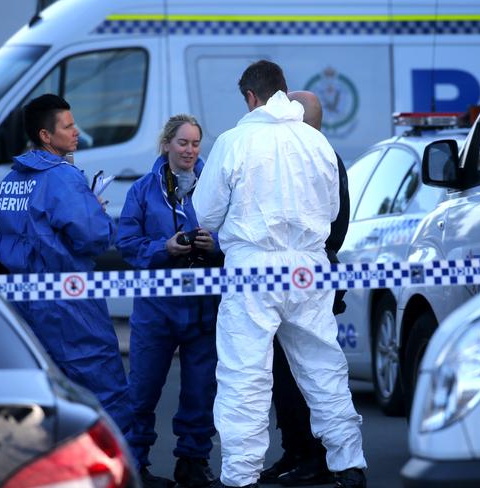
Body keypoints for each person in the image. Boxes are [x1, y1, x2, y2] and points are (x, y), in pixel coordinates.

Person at [193, 61, 367, 488]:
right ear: (283, 92)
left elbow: (205, 213)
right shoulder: (317, 142)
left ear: (251, 97)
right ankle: (349, 464)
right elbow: (331, 211)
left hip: (253, 267)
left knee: (245, 373)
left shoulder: (234, 142)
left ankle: (240, 476)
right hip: (309, 266)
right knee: (323, 367)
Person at [0, 93, 133, 439]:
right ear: (45, 135)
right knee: (104, 387)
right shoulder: (62, 177)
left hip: (24, 303)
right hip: (70, 302)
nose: (76, 132)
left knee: (45, 396)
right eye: (68, 126)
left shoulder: (12, 178)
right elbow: (94, 237)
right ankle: (125, 467)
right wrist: (97, 211)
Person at [116, 114, 221, 488]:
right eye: (183, 143)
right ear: (166, 145)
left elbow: (239, 234)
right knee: (141, 392)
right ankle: (134, 465)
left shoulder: (217, 186)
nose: (190, 150)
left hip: (202, 308)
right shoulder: (143, 190)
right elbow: (126, 244)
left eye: (195, 143)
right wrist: (163, 248)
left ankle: (192, 463)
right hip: (156, 310)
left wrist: (215, 246)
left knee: (200, 391)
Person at [260, 90, 350, 486]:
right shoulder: (298, 154)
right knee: (283, 373)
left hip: (310, 278)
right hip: (295, 277)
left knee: (310, 374)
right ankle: (296, 449)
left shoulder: (321, 156)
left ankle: (319, 457)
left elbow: (336, 222)